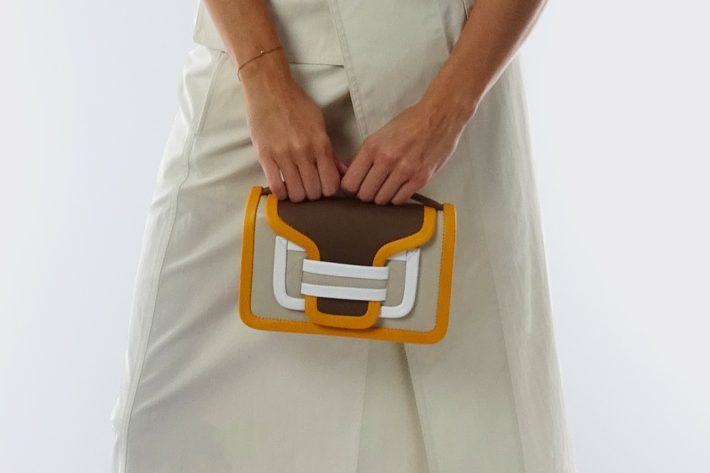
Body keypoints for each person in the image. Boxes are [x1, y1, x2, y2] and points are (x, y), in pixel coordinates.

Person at [111, 0, 577, 471]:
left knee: (460, 425)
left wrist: (446, 112)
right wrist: (264, 78)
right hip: (256, 77)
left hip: (442, 76)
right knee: (171, 427)